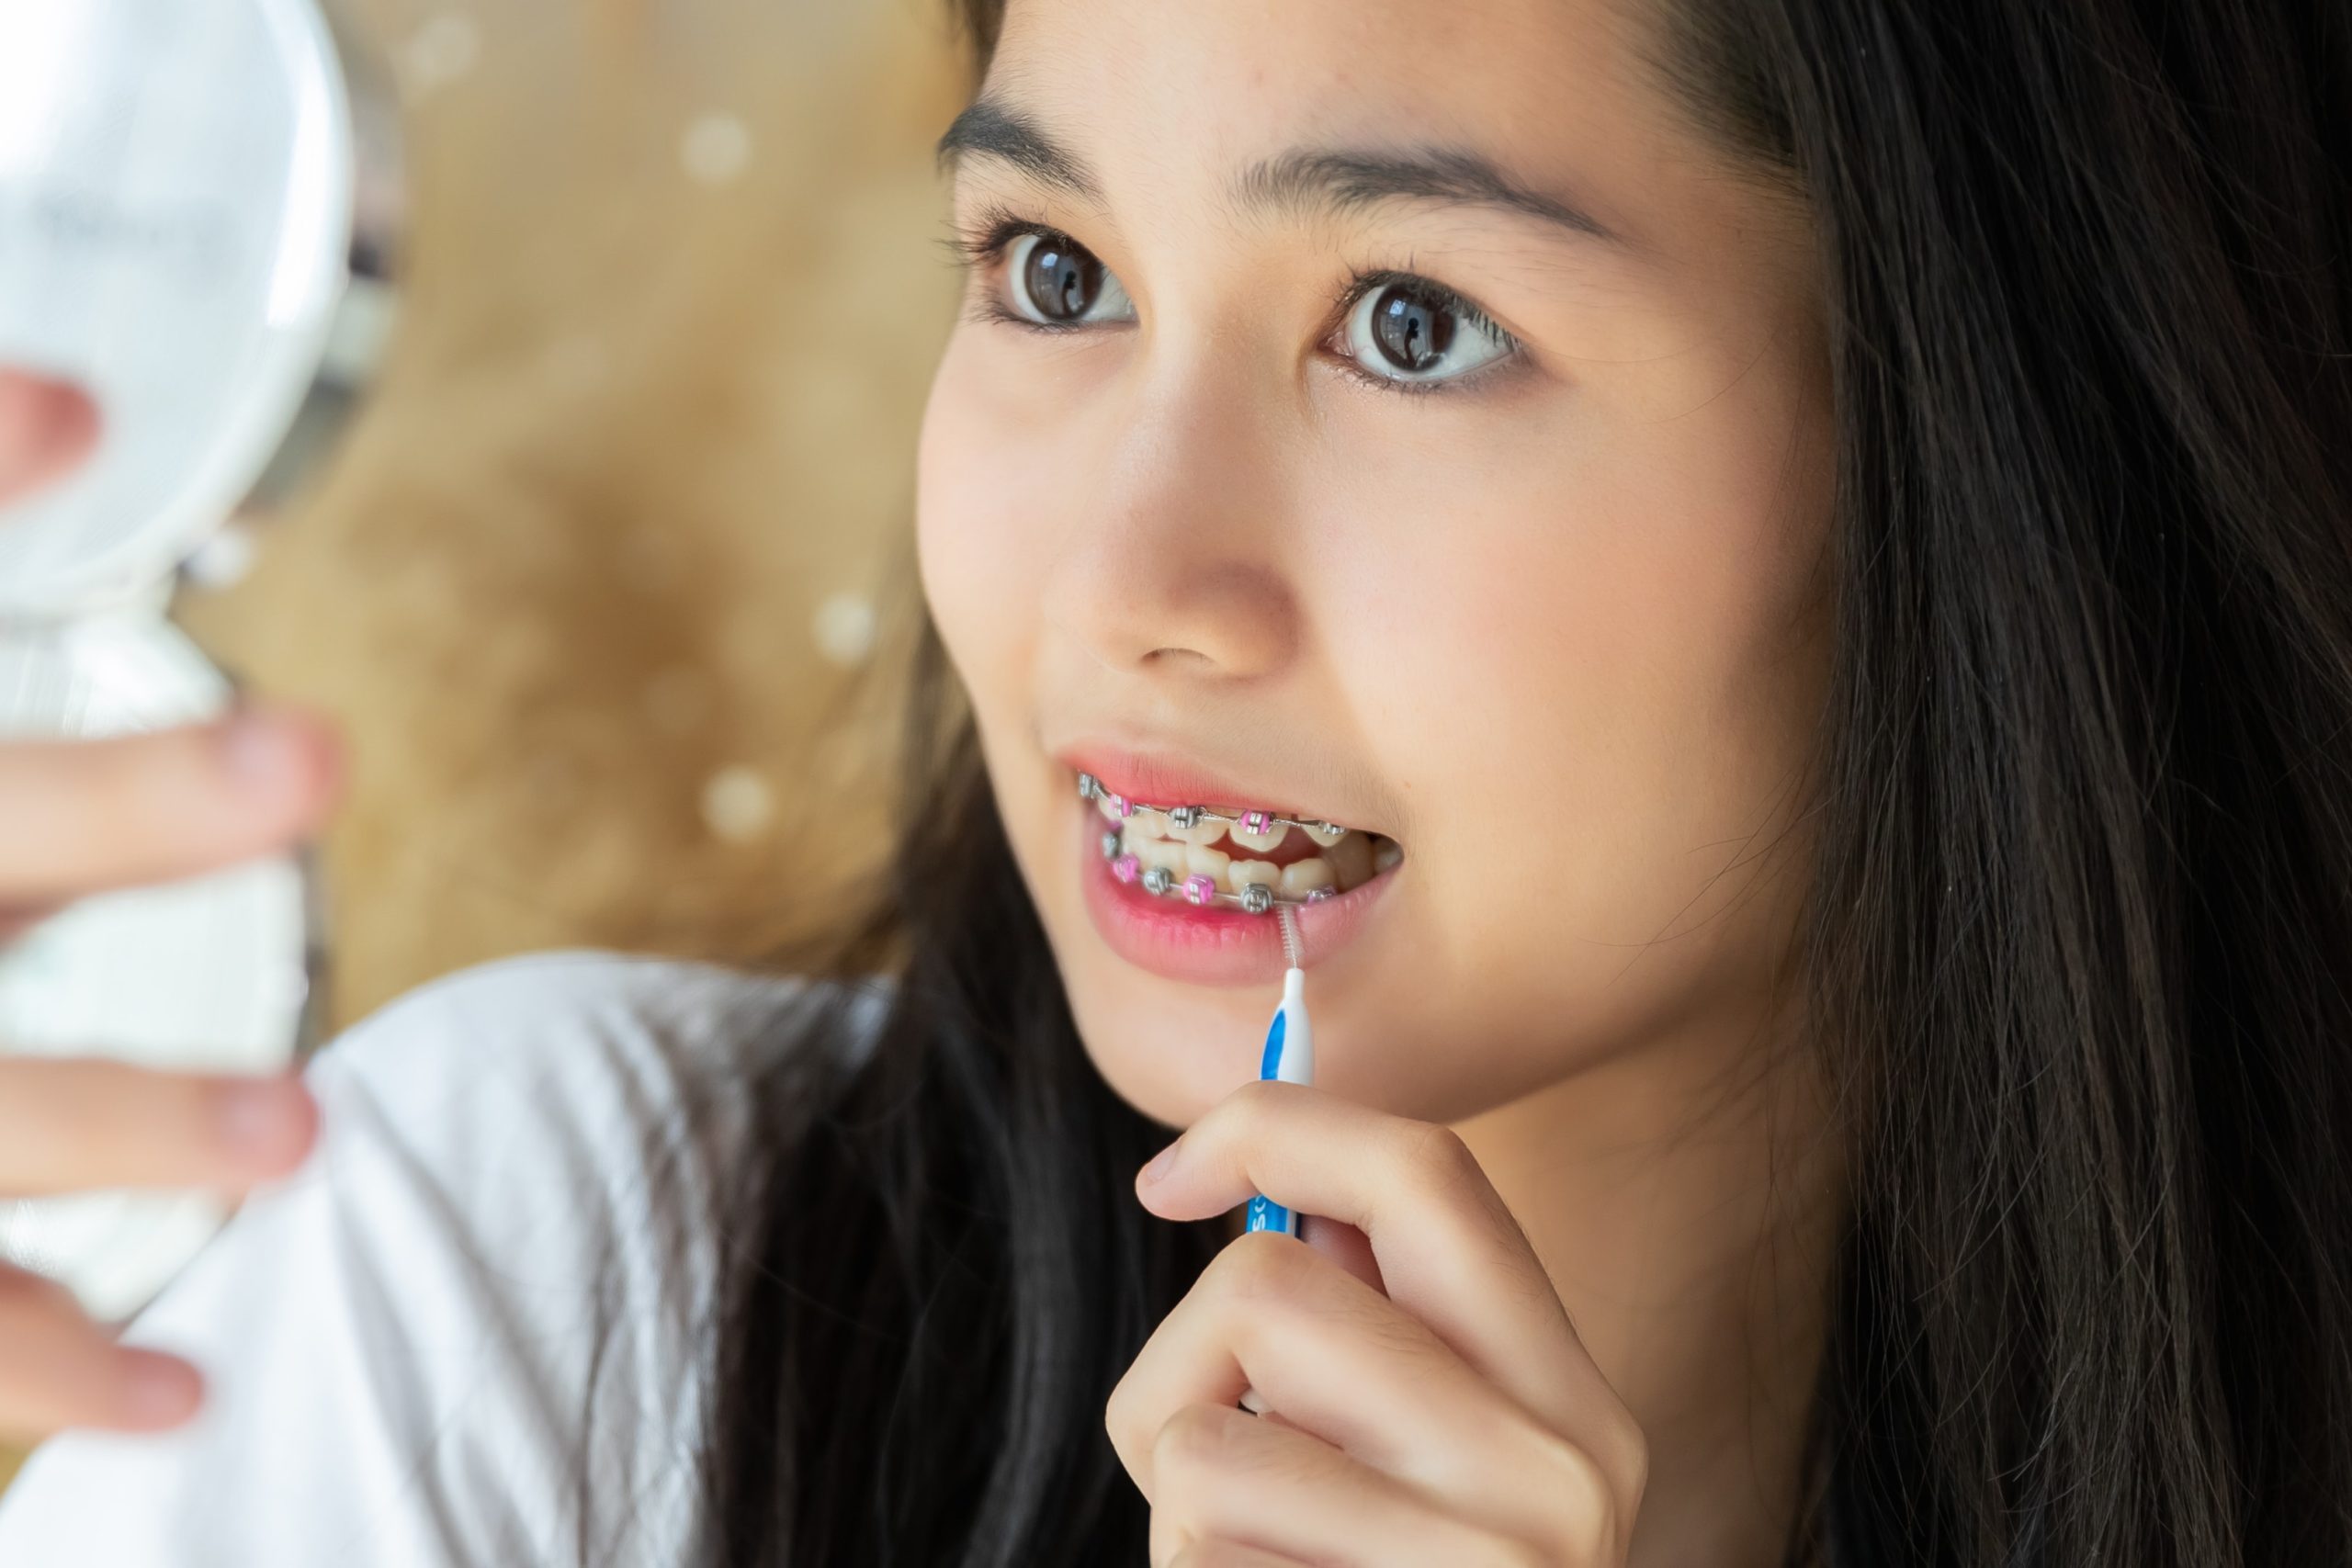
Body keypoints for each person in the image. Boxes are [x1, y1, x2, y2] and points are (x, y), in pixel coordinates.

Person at [2, 0, 2349, 1561]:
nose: (1128, 577)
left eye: (1409, 324)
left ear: (1982, 453)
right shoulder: (527, 1282)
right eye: (1048, 270)